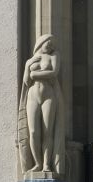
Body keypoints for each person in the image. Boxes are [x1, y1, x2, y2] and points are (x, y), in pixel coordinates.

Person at [17, 34, 65, 174]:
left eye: (52, 44)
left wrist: (35, 74)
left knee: (47, 131)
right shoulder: (31, 60)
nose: (50, 46)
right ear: (41, 42)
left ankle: (46, 164)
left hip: (48, 95)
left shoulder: (54, 56)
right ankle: (37, 163)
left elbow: (54, 73)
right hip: (32, 96)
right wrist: (27, 66)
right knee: (33, 132)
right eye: (48, 42)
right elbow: (27, 81)